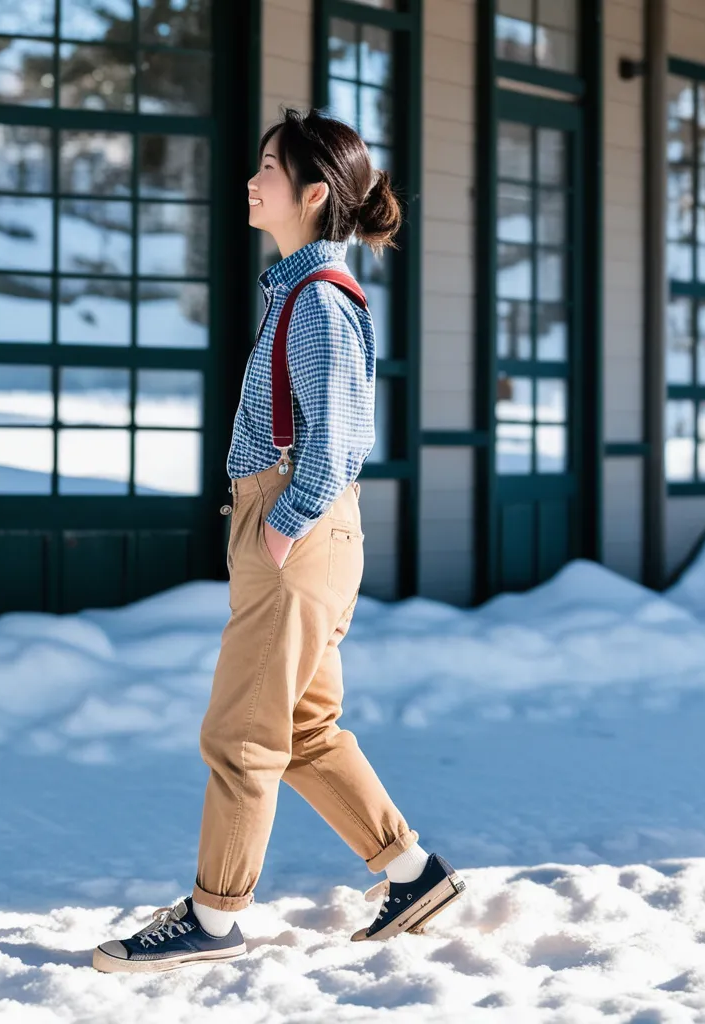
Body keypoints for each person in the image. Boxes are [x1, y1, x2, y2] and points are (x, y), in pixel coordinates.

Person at [93, 106, 465, 974]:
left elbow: (336, 440)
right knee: (303, 727)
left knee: (241, 734)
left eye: (268, 168)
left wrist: (283, 528)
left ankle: (213, 917)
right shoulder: (302, 292)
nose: (252, 181)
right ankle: (412, 873)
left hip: (297, 528)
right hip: (304, 531)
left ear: (313, 194)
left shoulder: (319, 301)